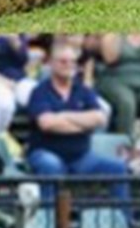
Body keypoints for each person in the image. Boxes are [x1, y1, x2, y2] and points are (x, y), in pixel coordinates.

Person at [23, 41, 129, 198]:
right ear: (51, 63)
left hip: (81, 157)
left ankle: (122, 221)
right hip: (46, 153)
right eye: (63, 61)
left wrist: (63, 116)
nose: (68, 65)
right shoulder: (40, 92)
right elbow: (46, 123)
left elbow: (100, 118)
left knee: (118, 167)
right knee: (50, 166)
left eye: (72, 62)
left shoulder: (83, 90)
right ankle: (49, 220)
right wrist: (84, 124)